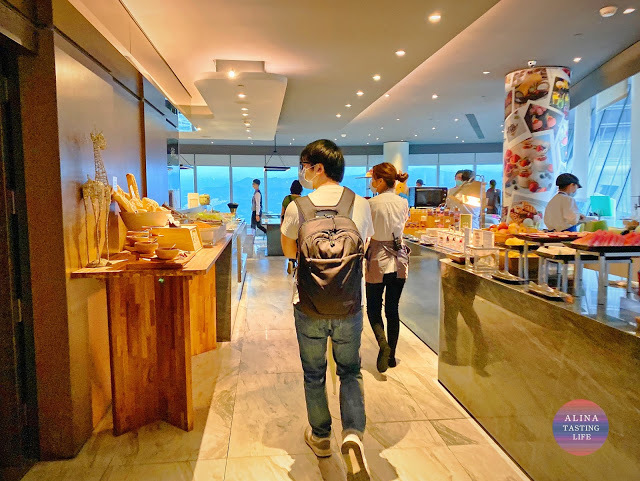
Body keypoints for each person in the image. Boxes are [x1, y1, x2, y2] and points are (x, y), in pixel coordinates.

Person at [281, 139, 374, 480]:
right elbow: (365, 244)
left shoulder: (298, 207)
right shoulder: (360, 204)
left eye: (304, 166)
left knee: (314, 373)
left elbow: (289, 251)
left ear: (318, 168)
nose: (302, 172)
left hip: (309, 304)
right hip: (349, 303)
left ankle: (321, 438)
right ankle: (353, 433)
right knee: (350, 370)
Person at [366, 163, 410, 373]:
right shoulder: (403, 203)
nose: (372, 182)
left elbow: (366, 231)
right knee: (393, 309)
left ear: (381, 180)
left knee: (373, 308)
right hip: (399, 259)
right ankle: (391, 356)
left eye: (373, 179)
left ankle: (383, 343)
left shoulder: (371, 204)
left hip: (377, 260)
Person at [281, 180, 303, 274]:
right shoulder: (303, 200)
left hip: (289, 224)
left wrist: (282, 224)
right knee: (298, 243)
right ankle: (298, 262)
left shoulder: (287, 199)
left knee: (290, 242)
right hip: (299, 224)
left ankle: (291, 261)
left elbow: (282, 213)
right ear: (300, 189)